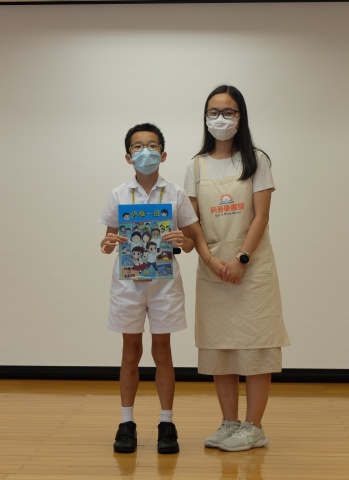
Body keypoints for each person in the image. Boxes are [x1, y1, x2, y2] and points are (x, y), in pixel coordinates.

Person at [183, 85, 291, 452]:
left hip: (252, 267)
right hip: (212, 268)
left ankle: (254, 427)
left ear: (240, 117)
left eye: (228, 112)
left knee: (256, 348)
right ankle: (229, 423)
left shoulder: (256, 160)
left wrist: (242, 259)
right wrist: (209, 260)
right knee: (221, 350)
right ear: (205, 117)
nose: (220, 118)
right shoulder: (195, 165)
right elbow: (192, 222)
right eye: (213, 112)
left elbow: (261, 216)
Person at [100, 122, 210, 454]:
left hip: (164, 283)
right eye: (137, 146)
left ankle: (166, 423)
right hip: (128, 283)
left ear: (163, 154)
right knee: (130, 351)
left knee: (163, 351)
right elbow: (107, 242)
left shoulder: (175, 194)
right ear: (127, 156)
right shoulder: (119, 194)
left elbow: (190, 242)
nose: (144, 151)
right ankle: (126, 422)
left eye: (151, 146)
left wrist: (182, 240)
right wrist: (108, 243)